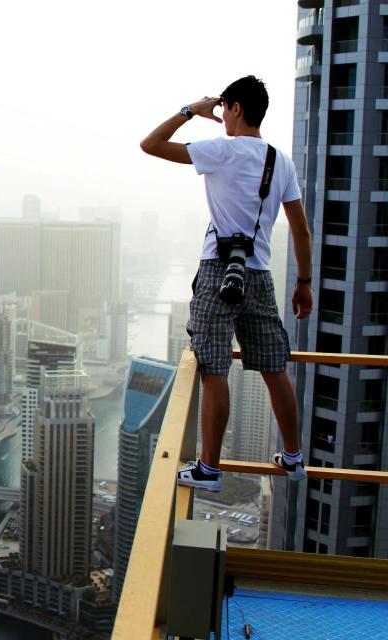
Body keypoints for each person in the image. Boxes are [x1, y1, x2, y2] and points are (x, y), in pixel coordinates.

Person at [140, 75, 313, 492]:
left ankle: (209, 469)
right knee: (275, 367)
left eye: (222, 110)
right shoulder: (280, 161)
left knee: (214, 368)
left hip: (219, 271)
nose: (219, 119)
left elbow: (150, 144)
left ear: (235, 107)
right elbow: (300, 230)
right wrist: (304, 282)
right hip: (258, 274)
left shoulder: (220, 151)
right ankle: (293, 457)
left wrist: (189, 110)